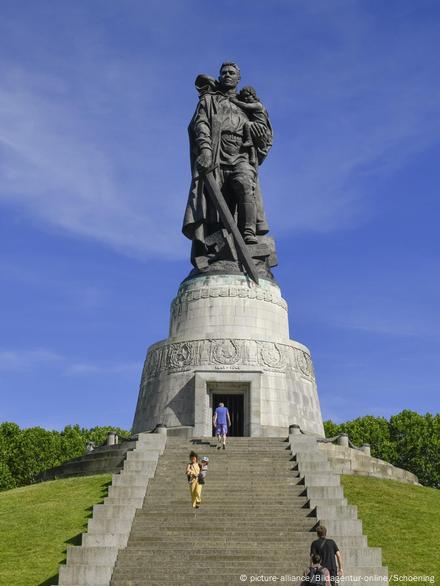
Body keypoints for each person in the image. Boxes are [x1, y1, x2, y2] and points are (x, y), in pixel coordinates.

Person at [183, 62, 273, 266]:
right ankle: (217, 246)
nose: (227, 75)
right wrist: (205, 149)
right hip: (216, 154)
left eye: (231, 73)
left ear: (238, 78)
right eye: (223, 73)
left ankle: (248, 233)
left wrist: (257, 129)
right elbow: (201, 124)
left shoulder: (247, 103)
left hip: (240, 153)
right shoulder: (209, 100)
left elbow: (265, 132)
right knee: (216, 203)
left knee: (244, 184)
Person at [230, 86, 270, 167]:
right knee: (252, 143)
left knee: (247, 124)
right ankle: (252, 157)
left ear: (253, 95)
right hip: (255, 126)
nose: (246, 99)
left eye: (248, 96)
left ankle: (248, 140)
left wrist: (234, 101)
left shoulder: (258, 105)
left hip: (259, 125)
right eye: (244, 97)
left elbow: (245, 106)